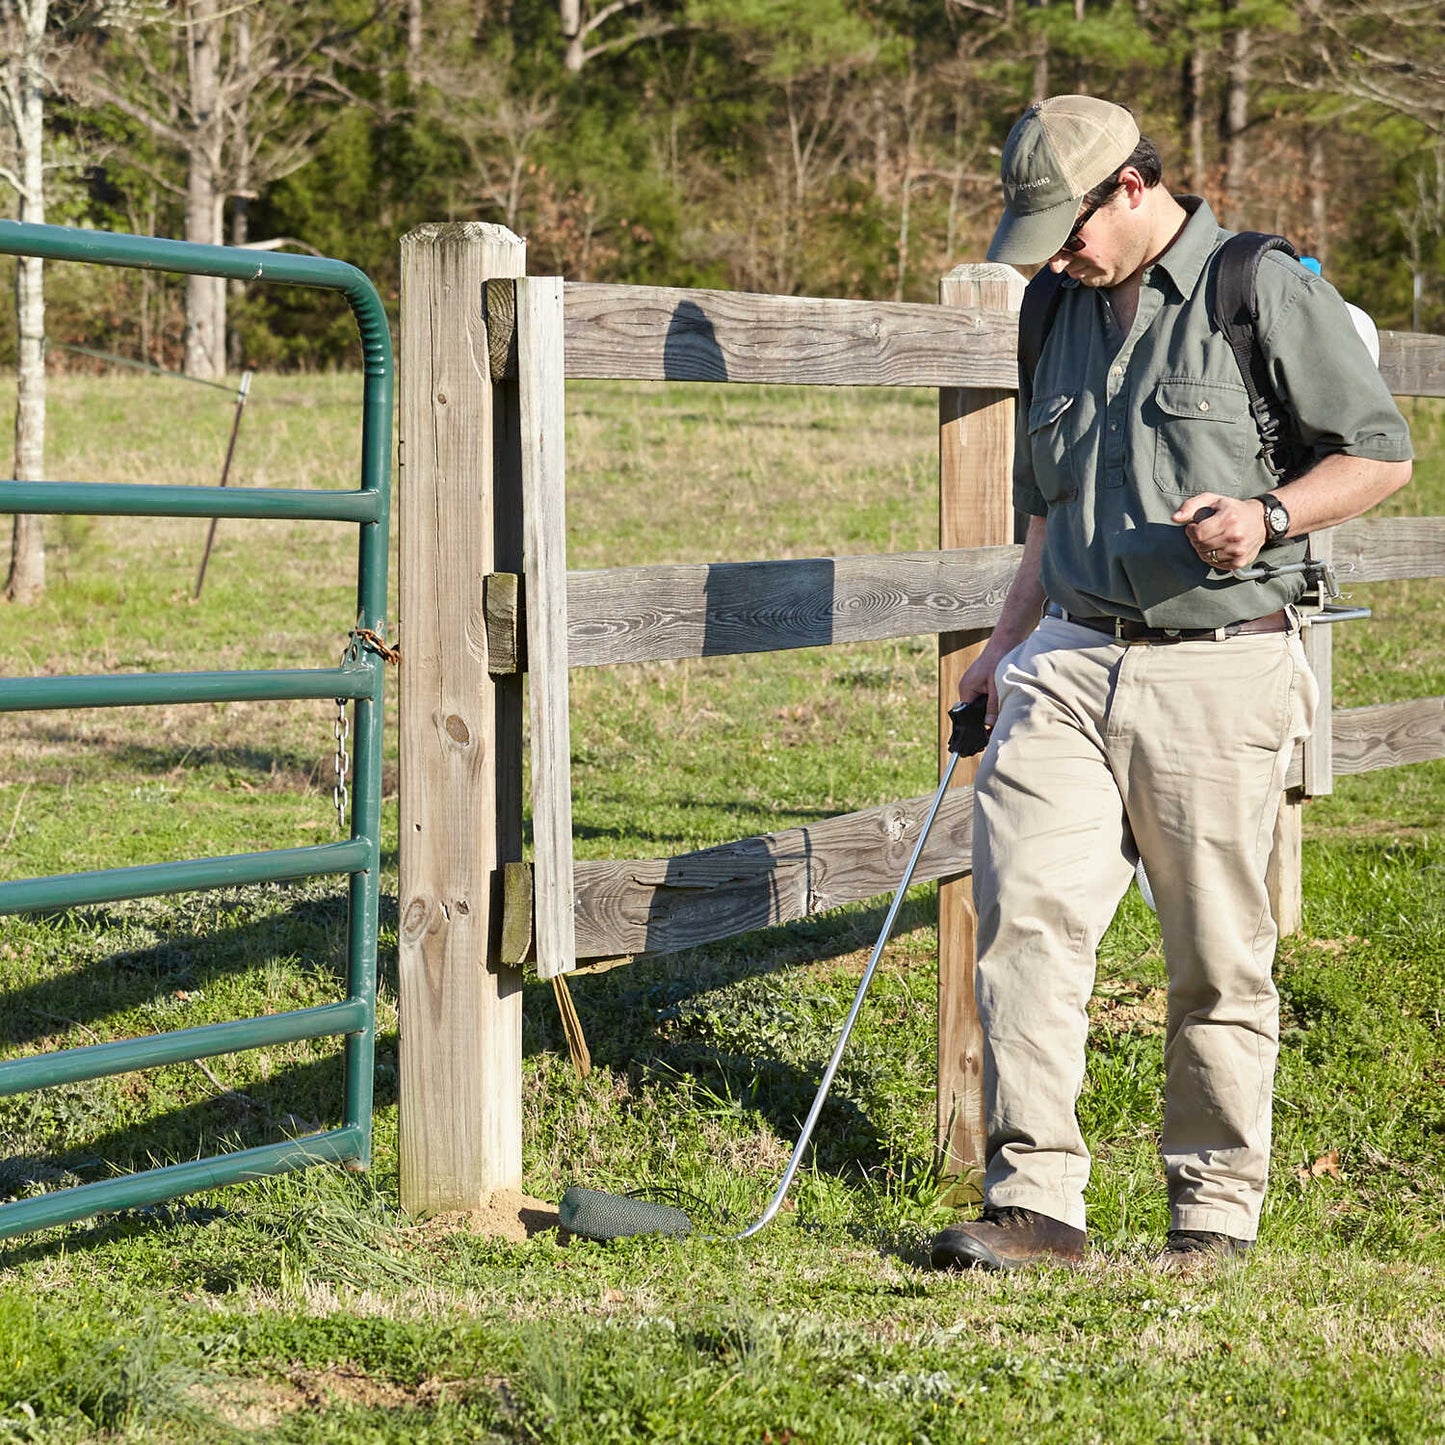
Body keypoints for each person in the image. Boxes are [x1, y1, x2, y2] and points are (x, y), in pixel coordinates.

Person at [928, 96, 1413, 1274]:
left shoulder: (1258, 289)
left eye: (1067, 224)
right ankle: (1036, 1204)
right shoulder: (1053, 305)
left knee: (1212, 954)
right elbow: (1047, 507)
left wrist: (1267, 514)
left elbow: (1381, 452)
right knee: (1025, 924)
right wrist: (1002, 645)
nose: (1053, 251)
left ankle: (1210, 1214)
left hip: (1220, 664)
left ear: (1130, 189)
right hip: (1070, 662)